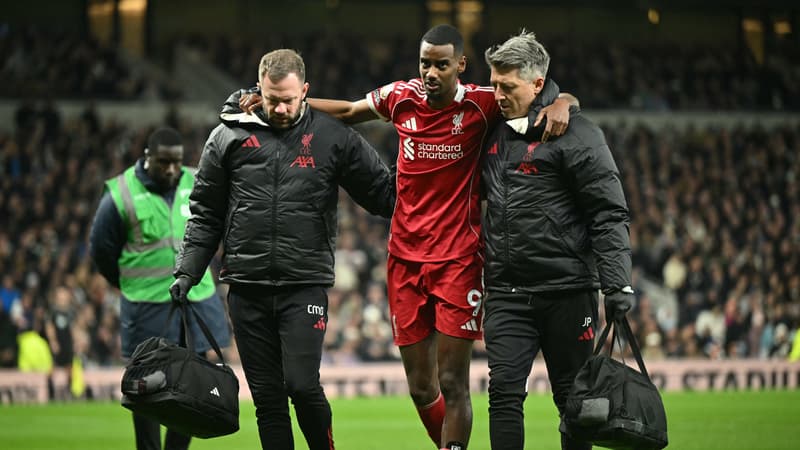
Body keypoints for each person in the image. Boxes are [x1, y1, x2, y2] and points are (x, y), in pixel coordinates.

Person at [234, 25, 574, 450]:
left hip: (458, 260)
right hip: (405, 258)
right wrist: (294, 101)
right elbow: (348, 111)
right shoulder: (401, 96)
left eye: (441, 64)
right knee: (420, 388)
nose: (431, 73)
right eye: (425, 63)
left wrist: (563, 100)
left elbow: (538, 91)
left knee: (453, 382)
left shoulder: (482, 105)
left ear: (461, 66)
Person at [169, 49, 395, 450]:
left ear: (305, 91)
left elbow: (384, 195)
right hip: (246, 287)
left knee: (303, 387)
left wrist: (428, 158)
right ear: (259, 90)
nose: (280, 107)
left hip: (303, 286)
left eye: (289, 99)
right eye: (272, 99)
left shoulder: (332, 136)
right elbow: (206, 213)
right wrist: (187, 272)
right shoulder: (228, 136)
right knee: (268, 402)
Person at [480, 31, 634, 450]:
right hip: (507, 291)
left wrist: (617, 284)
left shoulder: (579, 134)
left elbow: (608, 212)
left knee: (573, 401)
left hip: (567, 291)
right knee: (504, 395)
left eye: (506, 86)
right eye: (493, 84)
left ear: (536, 83)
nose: (496, 95)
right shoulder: (492, 129)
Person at [89, 127, 232, 450]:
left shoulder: (197, 181)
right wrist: (130, 282)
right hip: (147, 304)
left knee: (194, 385)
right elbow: (101, 251)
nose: (171, 169)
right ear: (148, 157)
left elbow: (219, 231)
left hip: (197, 301)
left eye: (176, 163)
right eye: (164, 162)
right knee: (145, 388)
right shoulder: (121, 192)